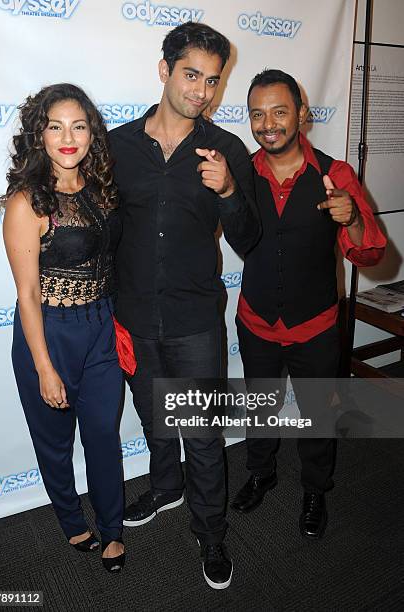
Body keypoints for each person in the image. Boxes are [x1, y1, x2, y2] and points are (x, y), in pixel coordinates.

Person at [108, 22, 259, 589]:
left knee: (201, 433)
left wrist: (227, 193)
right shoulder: (118, 146)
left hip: (197, 321)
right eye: (192, 75)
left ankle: (211, 532)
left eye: (212, 81)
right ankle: (165, 489)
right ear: (165, 69)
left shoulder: (227, 150)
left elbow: (248, 239)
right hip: (134, 317)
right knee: (155, 420)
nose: (201, 91)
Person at [231, 69, 386, 538]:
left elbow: (371, 251)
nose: (268, 124)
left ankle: (315, 488)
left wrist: (353, 216)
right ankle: (261, 471)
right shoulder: (241, 173)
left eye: (279, 111)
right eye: (257, 114)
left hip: (315, 324)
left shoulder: (335, 174)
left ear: (301, 114)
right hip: (256, 319)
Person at [0, 83, 128, 572]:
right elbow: (27, 295)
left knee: (103, 436)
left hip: (100, 326)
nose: (68, 137)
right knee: (54, 442)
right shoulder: (27, 201)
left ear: (91, 133)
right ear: (40, 135)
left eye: (78, 126)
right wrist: (44, 368)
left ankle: (113, 531)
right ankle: (72, 520)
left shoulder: (100, 189)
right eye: (56, 126)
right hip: (47, 332)